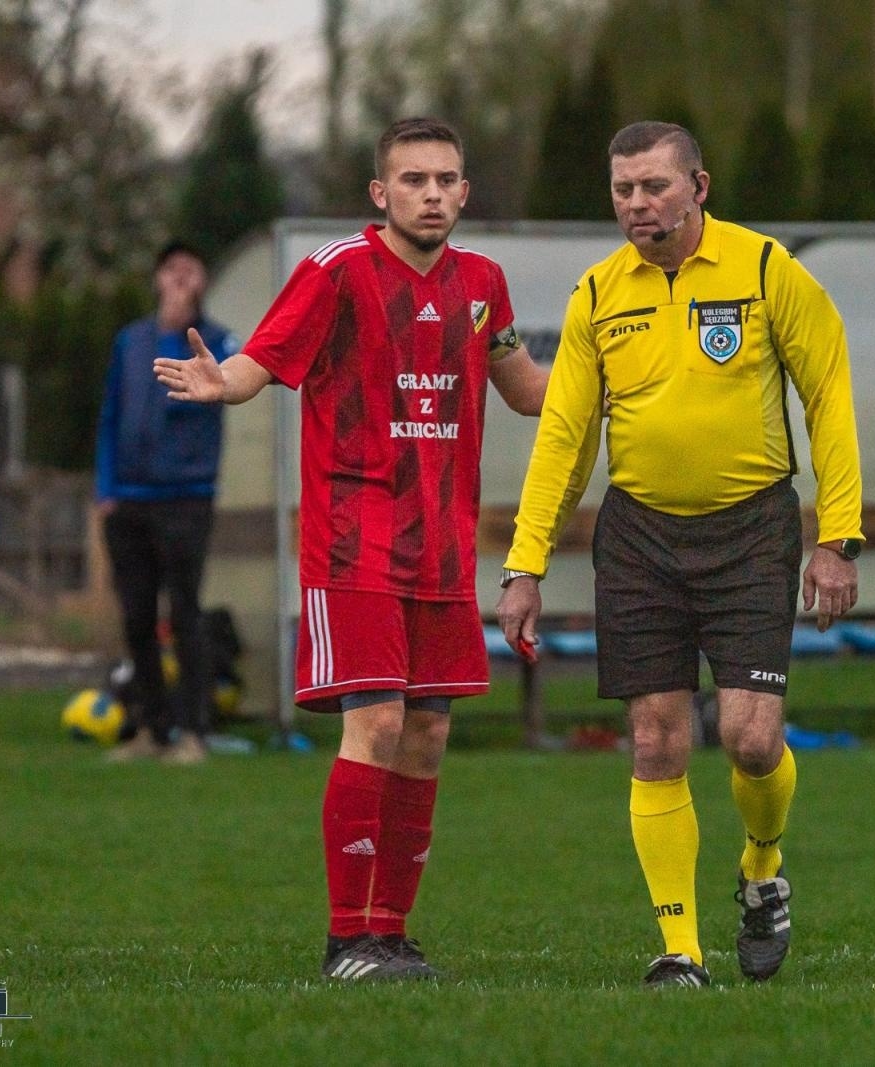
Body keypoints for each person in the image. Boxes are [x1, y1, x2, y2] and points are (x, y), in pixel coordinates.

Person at [153, 118, 547, 980]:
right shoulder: (336, 272)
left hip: (443, 555)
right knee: (375, 722)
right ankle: (346, 940)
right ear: (381, 193)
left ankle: (391, 931)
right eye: (414, 180)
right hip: (354, 547)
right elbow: (263, 358)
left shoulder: (484, 284)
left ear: (466, 191)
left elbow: (525, 391)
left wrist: (630, 373)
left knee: (429, 737)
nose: (432, 193)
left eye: (446, 179)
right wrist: (227, 382)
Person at [495, 121, 863, 988]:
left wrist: (837, 538)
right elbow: (563, 437)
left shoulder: (769, 271)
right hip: (641, 538)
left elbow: (830, 399)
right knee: (656, 737)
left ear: (699, 187)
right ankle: (679, 948)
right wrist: (526, 562)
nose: (636, 204)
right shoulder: (597, 294)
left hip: (751, 530)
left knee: (749, 738)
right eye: (623, 189)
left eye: (654, 186)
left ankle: (763, 870)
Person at [96, 240, 236, 766]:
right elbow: (111, 414)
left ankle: (192, 732)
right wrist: (105, 490)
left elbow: (213, 394)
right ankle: (150, 729)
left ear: (203, 282)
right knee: (136, 618)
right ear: (156, 278)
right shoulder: (130, 342)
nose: (179, 279)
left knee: (185, 614)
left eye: (191, 270)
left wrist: (183, 331)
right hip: (128, 501)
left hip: (186, 499)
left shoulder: (217, 340)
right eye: (171, 270)